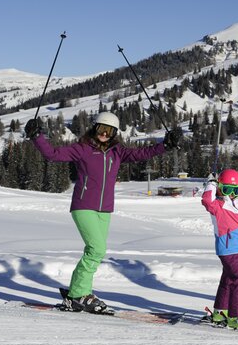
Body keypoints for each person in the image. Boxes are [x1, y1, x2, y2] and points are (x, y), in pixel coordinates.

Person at [24, 111, 182, 314]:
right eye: (101, 129)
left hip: (104, 209)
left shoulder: (118, 152)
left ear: (115, 133)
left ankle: (79, 293)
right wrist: (37, 137)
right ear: (94, 128)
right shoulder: (82, 149)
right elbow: (53, 154)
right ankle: (78, 294)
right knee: (97, 249)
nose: (105, 134)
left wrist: (165, 145)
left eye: (110, 131)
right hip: (83, 205)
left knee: (94, 252)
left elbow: (143, 154)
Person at [200, 167, 238, 330]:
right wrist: (211, 183)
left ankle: (221, 311)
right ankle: (237, 316)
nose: (231, 194)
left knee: (228, 279)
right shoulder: (217, 205)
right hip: (227, 250)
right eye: (227, 190)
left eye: (236, 190)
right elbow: (206, 200)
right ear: (220, 188)